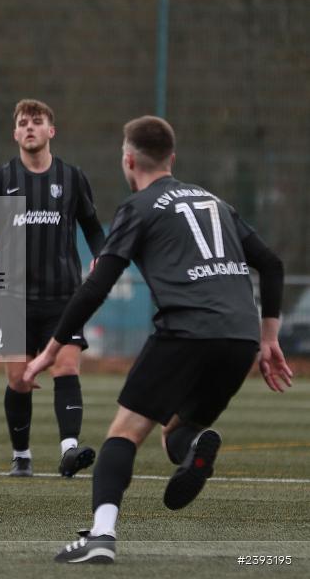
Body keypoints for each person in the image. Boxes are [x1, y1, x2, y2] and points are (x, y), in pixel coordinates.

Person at [23, 116, 293, 564]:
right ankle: (193, 453)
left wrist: (51, 349)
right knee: (179, 430)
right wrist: (268, 338)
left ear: (128, 160)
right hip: (240, 337)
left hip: (186, 331)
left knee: (123, 434)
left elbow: (97, 285)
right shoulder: (215, 202)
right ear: (173, 158)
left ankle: (102, 537)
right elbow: (272, 263)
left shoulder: (140, 206)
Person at [0, 99, 105, 478]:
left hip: (64, 296)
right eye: (23, 123)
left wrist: (101, 255)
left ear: (50, 131)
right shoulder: (2, 178)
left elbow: (92, 226)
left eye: (37, 122)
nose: (29, 128)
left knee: (66, 367)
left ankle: (69, 451)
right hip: (12, 297)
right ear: (15, 133)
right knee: (19, 379)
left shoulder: (72, 178)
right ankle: (21, 454)